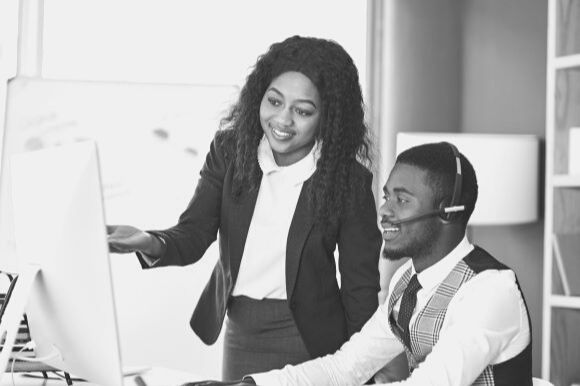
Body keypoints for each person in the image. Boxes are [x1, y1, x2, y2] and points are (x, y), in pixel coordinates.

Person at [107, 35, 382, 380]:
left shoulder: (348, 180)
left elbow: (360, 288)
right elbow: (195, 233)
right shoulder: (230, 151)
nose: (283, 120)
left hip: (312, 340)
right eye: (274, 101)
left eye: (302, 111)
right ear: (259, 97)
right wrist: (148, 241)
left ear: (328, 117)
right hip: (242, 330)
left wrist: (362, 368)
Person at [194, 141, 533, 385]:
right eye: (387, 196)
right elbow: (345, 368)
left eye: (402, 200)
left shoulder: (489, 290)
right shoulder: (408, 282)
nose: (384, 210)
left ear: (448, 213)